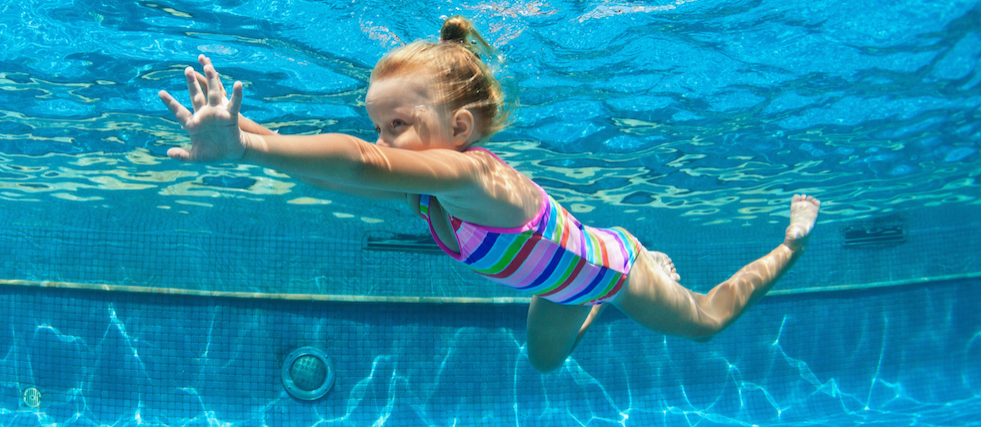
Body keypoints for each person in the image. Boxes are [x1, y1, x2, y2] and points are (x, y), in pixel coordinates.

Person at [157, 16, 821, 373]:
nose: (383, 141)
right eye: (376, 126)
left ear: (461, 128)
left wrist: (255, 147)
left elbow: (357, 164)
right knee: (543, 363)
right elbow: (341, 173)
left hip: (613, 272)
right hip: (562, 285)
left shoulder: (473, 178)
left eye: (398, 125)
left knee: (703, 324)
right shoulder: (420, 186)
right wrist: (242, 132)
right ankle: (592, 294)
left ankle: (788, 243)